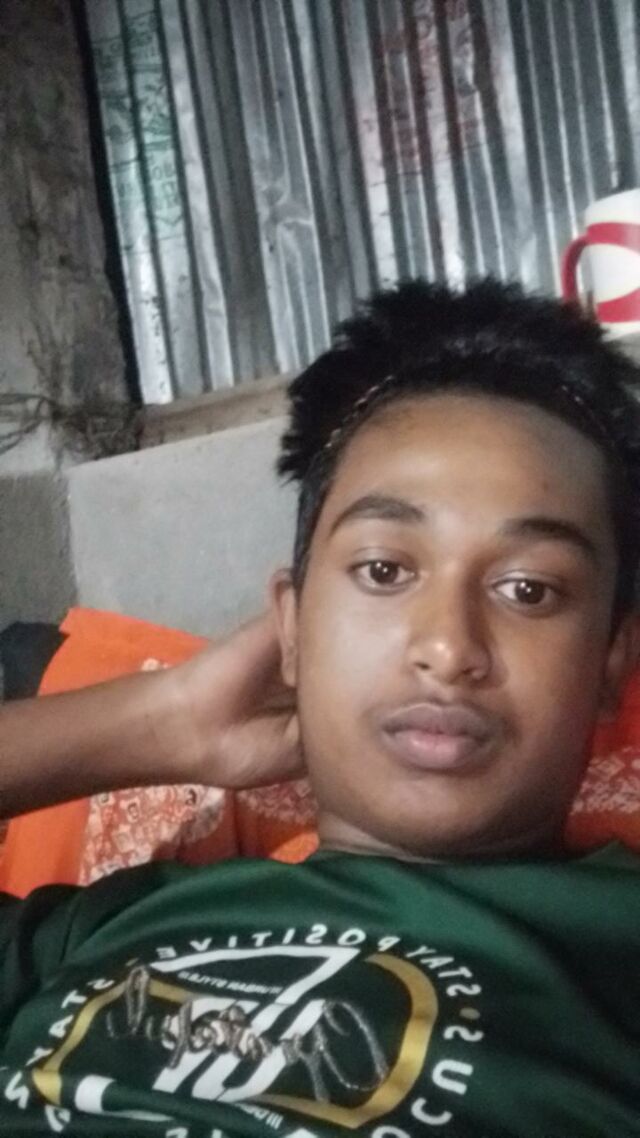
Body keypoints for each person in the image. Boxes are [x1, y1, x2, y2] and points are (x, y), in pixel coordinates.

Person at [0, 278, 639, 1137]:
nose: (448, 647)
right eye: (384, 570)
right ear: (292, 629)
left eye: (529, 589)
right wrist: (167, 718)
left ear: (611, 660)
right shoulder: (108, 923)